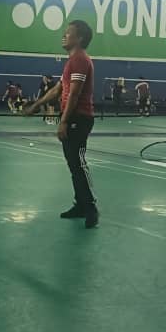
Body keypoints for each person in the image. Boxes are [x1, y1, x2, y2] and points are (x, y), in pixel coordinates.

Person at [24, 20, 99, 229]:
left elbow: (74, 94)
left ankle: (91, 206)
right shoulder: (72, 61)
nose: (64, 36)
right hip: (72, 118)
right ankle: (81, 205)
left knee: (79, 163)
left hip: (79, 118)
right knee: (73, 164)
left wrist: (64, 121)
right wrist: (36, 104)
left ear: (80, 38)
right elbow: (59, 89)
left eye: (68, 33)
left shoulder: (80, 59)